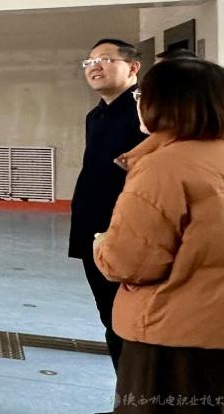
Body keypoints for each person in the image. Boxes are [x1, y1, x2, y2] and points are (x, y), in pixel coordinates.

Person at [94, 58, 224, 413]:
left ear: (165, 103)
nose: (137, 103)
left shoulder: (164, 167)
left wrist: (101, 244)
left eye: (141, 95)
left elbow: (131, 262)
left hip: (174, 340)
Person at [70, 39, 146, 392]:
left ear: (133, 67)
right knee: (112, 320)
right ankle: (128, 400)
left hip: (129, 237)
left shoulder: (146, 115)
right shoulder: (96, 115)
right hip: (94, 234)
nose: (95, 66)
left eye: (105, 59)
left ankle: (141, 401)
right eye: (90, 61)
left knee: (133, 326)